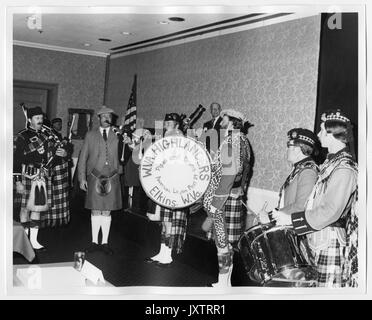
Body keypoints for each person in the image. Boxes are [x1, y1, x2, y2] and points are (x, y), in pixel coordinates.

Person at [275, 109, 358, 288]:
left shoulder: (345, 167)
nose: (318, 135)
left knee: (326, 291)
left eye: (322, 131)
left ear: (333, 134)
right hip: (320, 236)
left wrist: (292, 219)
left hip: (331, 239)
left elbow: (331, 210)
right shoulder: (331, 163)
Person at [202, 109, 251, 287]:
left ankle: (223, 284)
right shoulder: (241, 140)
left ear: (231, 121)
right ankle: (225, 282)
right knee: (225, 243)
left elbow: (230, 175)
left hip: (224, 198)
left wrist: (216, 203)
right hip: (232, 195)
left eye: (223, 117)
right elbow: (245, 171)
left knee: (222, 242)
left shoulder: (231, 141)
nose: (221, 119)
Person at [13, 106, 64, 250]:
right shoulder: (22, 136)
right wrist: (17, 182)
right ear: (29, 120)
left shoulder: (47, 135)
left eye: (41, 118)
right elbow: (16, 160)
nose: (40, 121)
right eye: (37, 118)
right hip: (26, 176)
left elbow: (54, 157)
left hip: (41, 176)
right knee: (24, 209)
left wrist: (62, 153)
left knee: (37, 209)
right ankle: (24, 242)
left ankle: (33, 241)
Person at [78, 106, 124, 255]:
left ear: (112, 119)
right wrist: (82, 177)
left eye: (109, 116)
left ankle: (104, 243)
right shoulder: (90, 135)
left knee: (107, 211)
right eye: (103, 116)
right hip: (94, 176)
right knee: (96, 209)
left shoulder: (119, 135)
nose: (106, 118)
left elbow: (127, 151)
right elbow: (83, 157)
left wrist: (129, 140)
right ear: (98, 119)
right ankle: (94, 242)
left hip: (112, 176)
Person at [145, 113, 189, 266]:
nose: (167, 124)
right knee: (164, 222)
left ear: (177, 125)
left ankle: (168, 256)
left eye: (170, 122)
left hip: (174, 186)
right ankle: (162, 252)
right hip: (165, 184)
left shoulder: (178, 137)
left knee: (169, 222)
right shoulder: (166, 137)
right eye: (166, 122)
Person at [254, 128, 319, 227]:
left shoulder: (308, 172)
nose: (287, 149)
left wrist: (270, 216)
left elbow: (301, 207)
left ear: (297, 149)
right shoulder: (300, 168)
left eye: (289, 146)